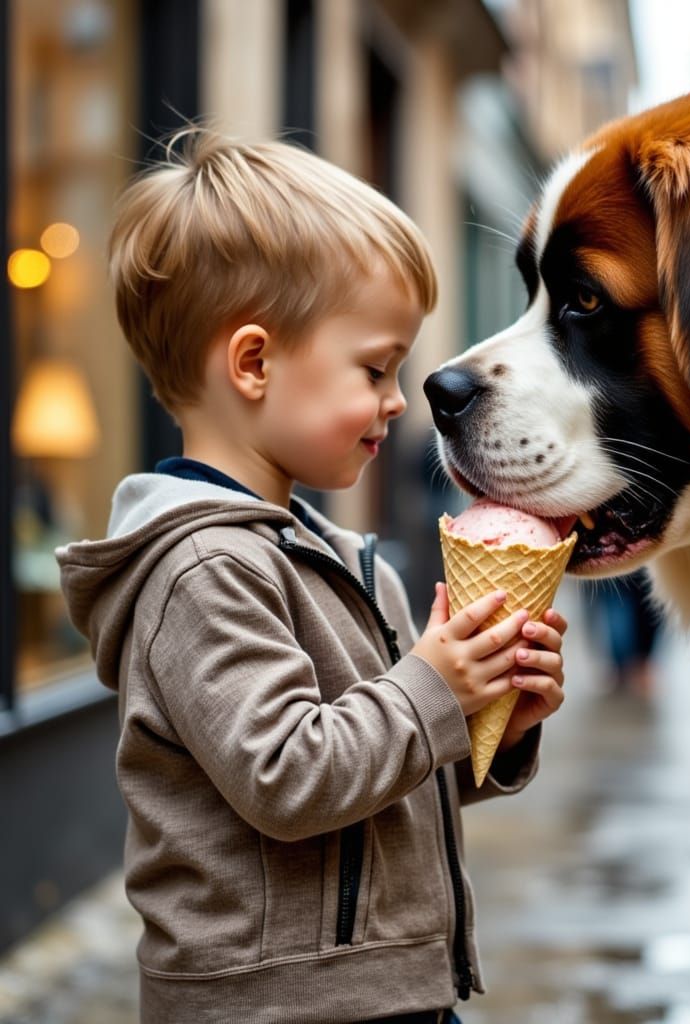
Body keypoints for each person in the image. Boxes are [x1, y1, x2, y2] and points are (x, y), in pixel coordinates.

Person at [56, 129, 568, 1024]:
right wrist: (431, 687)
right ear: (254, 363)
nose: (400, 399)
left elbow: (383, 781)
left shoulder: (336, 557)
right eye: (375, 367)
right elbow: (292, 779)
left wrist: (493, 722)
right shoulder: (202, 568)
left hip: (388, 996)